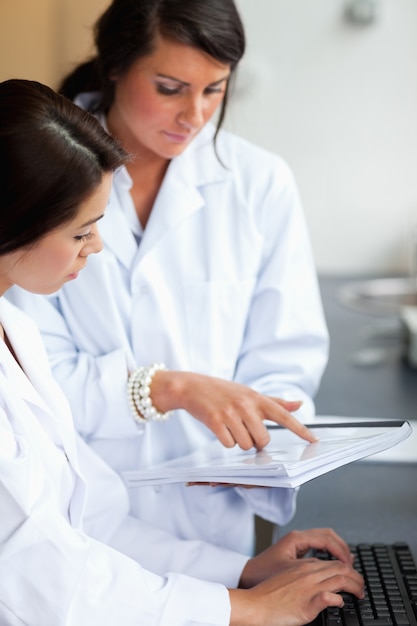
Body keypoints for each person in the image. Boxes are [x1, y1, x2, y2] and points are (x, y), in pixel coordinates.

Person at [0, 77, 364, 626]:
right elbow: (46, 581)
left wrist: (241, 572)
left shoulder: (14, 331)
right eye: (82, 233)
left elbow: (94, 519)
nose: (97, 247)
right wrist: (246, 609)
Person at [8, 0, 329, 557]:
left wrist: (258, 449)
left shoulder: (259, 183)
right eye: (169, 87)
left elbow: (285, 358)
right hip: (71, 506)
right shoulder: (41, 172)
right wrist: (165, 388)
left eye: (215, 89)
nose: (195, 116)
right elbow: (33, 376)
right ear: (114, 67)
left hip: (210, 509)